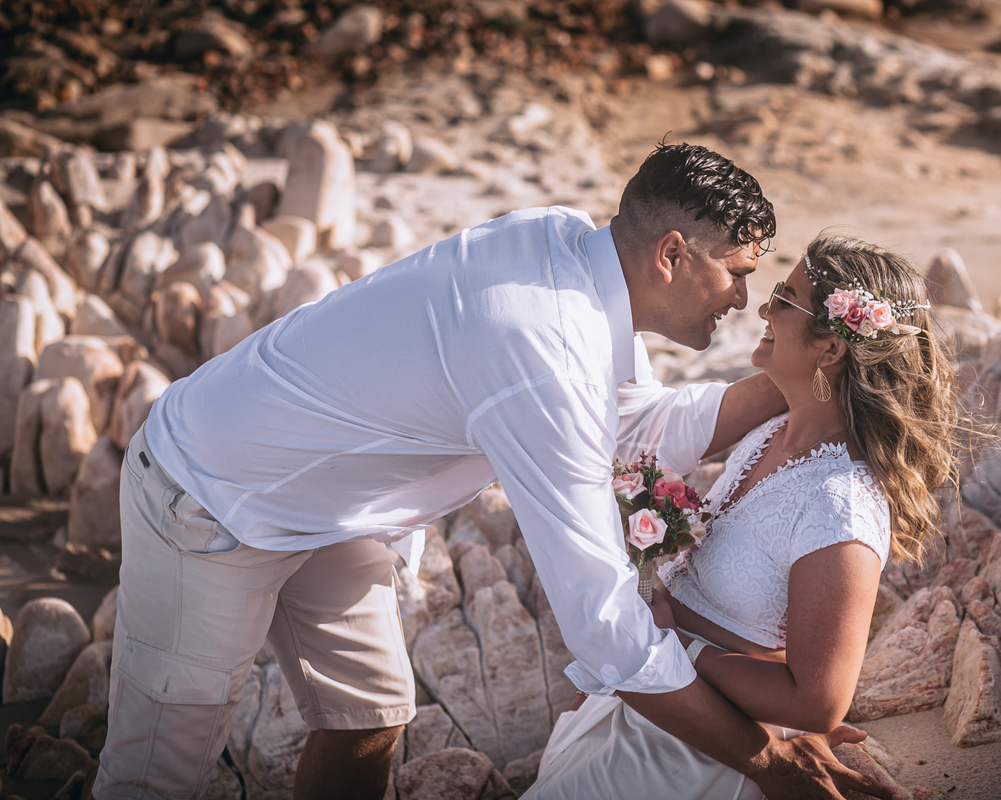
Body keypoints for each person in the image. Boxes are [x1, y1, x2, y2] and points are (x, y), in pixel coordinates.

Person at [95, 144, 898, 800]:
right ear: (672, 254)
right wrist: (766, 763)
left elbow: (632, 423)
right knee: (156, 776)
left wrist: (817, 376)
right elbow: (601, 623)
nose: (746, 300)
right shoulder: (540, 349)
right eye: (737, 272)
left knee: (370, 716)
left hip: (329, 508)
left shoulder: (567, 246)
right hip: (209, 495)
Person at [525, 234, 960, 799]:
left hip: (692, 753)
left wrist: (673, 647)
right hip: (651, 701)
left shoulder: (840, 502)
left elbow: (819, 701)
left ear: (830, 350)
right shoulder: (768, 433)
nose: (762, 307)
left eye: (785, 298)